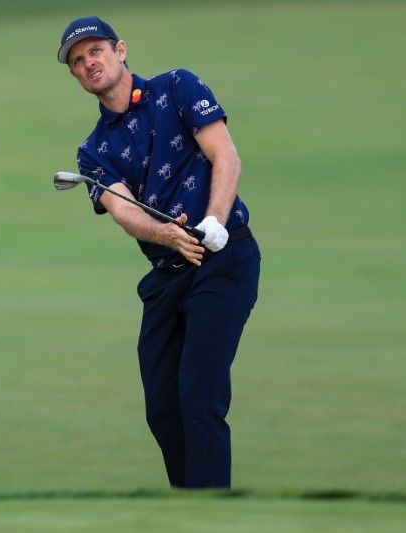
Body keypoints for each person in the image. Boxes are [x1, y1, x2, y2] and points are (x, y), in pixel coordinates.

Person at [57, 16, 261, 489]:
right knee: (164, 406)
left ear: (120, 50)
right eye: (78, 60)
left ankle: (211, 514)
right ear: (73, 75)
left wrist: (213, 221)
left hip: (223, 259)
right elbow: (124, 211)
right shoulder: (93, 151)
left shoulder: (178, 87)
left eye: (96, 51)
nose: (89, 63)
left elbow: (225, 156)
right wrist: (168, 236)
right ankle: (190, 505)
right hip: (169, 273)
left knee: (199, 394)